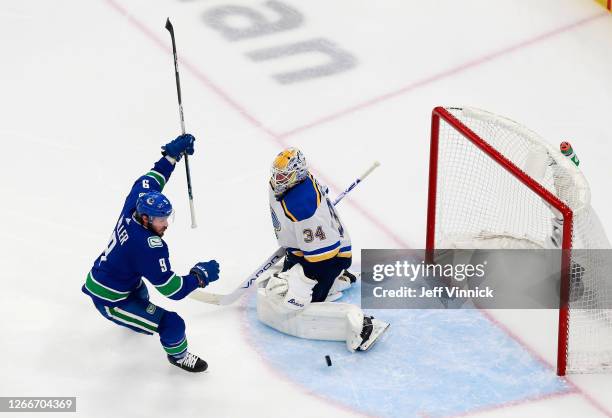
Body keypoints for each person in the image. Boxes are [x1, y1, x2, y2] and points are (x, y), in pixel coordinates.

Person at [82, 134, 219, 373]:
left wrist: (171, 156)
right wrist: (199, 276)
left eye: (166, 217)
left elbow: (152, 179)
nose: (165, 224)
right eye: (160, 220)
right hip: (112, 300)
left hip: (112, 277)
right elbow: (173, 290)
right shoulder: (148, 246)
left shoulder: (136, 202)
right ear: (145, 218)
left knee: (142, 295)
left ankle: (136, 314)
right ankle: (178, 356)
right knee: (172, 323)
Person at [258, 147, 389, 351]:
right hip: (306, 248)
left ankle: (336, 280)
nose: (278, 179)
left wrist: (303, 283)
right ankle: (336, 279)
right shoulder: (292, 186)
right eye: (277, 174)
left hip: (330, 259)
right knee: (287, 285)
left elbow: (322, 260)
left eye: (284, 175)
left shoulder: (303, 207)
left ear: (297, 174)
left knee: (297, 300)